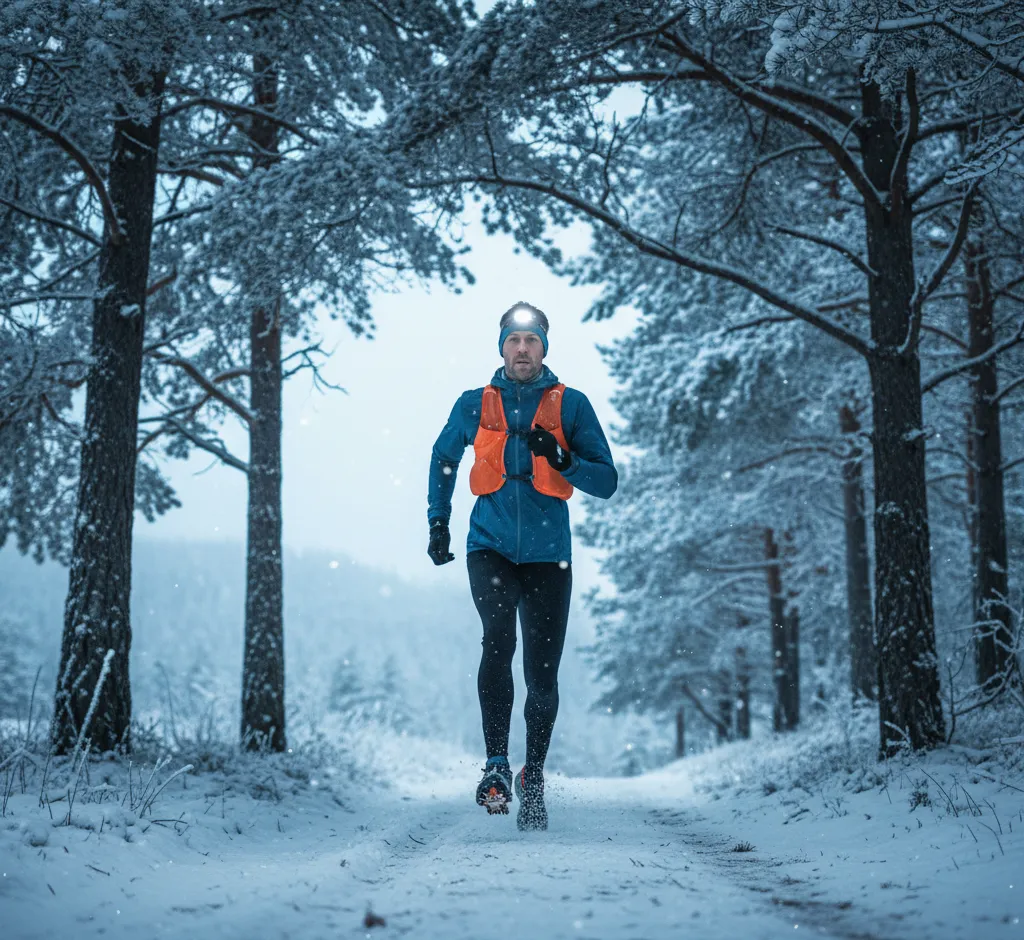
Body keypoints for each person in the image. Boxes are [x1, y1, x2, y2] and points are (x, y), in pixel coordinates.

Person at [426, 302, 617, 831]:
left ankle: (533, 776)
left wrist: (562, 460)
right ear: (502, 347)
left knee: (542, 671)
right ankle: (495, 765)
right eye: (514, 339)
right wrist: (438, 523)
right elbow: (443, 459)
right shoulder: (474, 404)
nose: (523, 349)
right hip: (488, 546)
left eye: (532, 341)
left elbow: (606, 481)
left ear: (545, 349)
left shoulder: (570, 405)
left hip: (548, 554)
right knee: (496, 641)